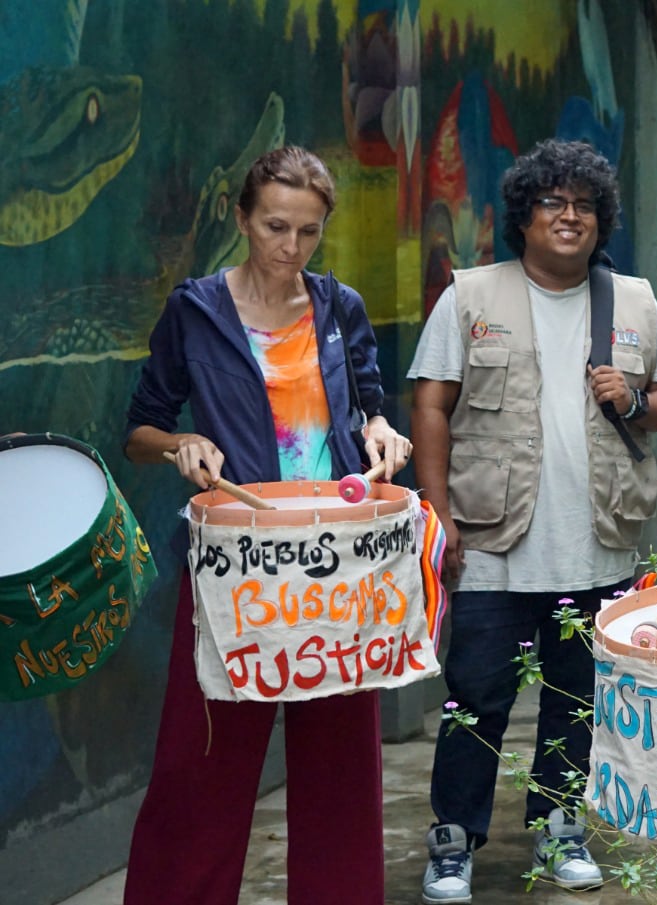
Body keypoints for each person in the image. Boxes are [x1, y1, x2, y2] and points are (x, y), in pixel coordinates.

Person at [122, 146, 410, 904]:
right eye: (276, 226)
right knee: (200, 766)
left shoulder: (339, 308)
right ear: (240, 217)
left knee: (341, 777)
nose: (291, 247)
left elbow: (369, 404)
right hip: (233, 568)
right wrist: (180, 441)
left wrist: (382, 431)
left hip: (337, 568)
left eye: (309, 232)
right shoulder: (195, 310)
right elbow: (141, 427)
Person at [409, 139, 657, 902]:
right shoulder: (469, 295)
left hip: (600, 546)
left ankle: (561, 823)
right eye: (553, 203)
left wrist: (632, 399)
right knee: (476, 700)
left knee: (577, 701)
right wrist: (438, 512)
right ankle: (453, 841)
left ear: (603, 220)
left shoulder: (631, 300)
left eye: (586, 206)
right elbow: (431, 403)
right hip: (492, 548)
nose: (570, 217)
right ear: (523, 216)